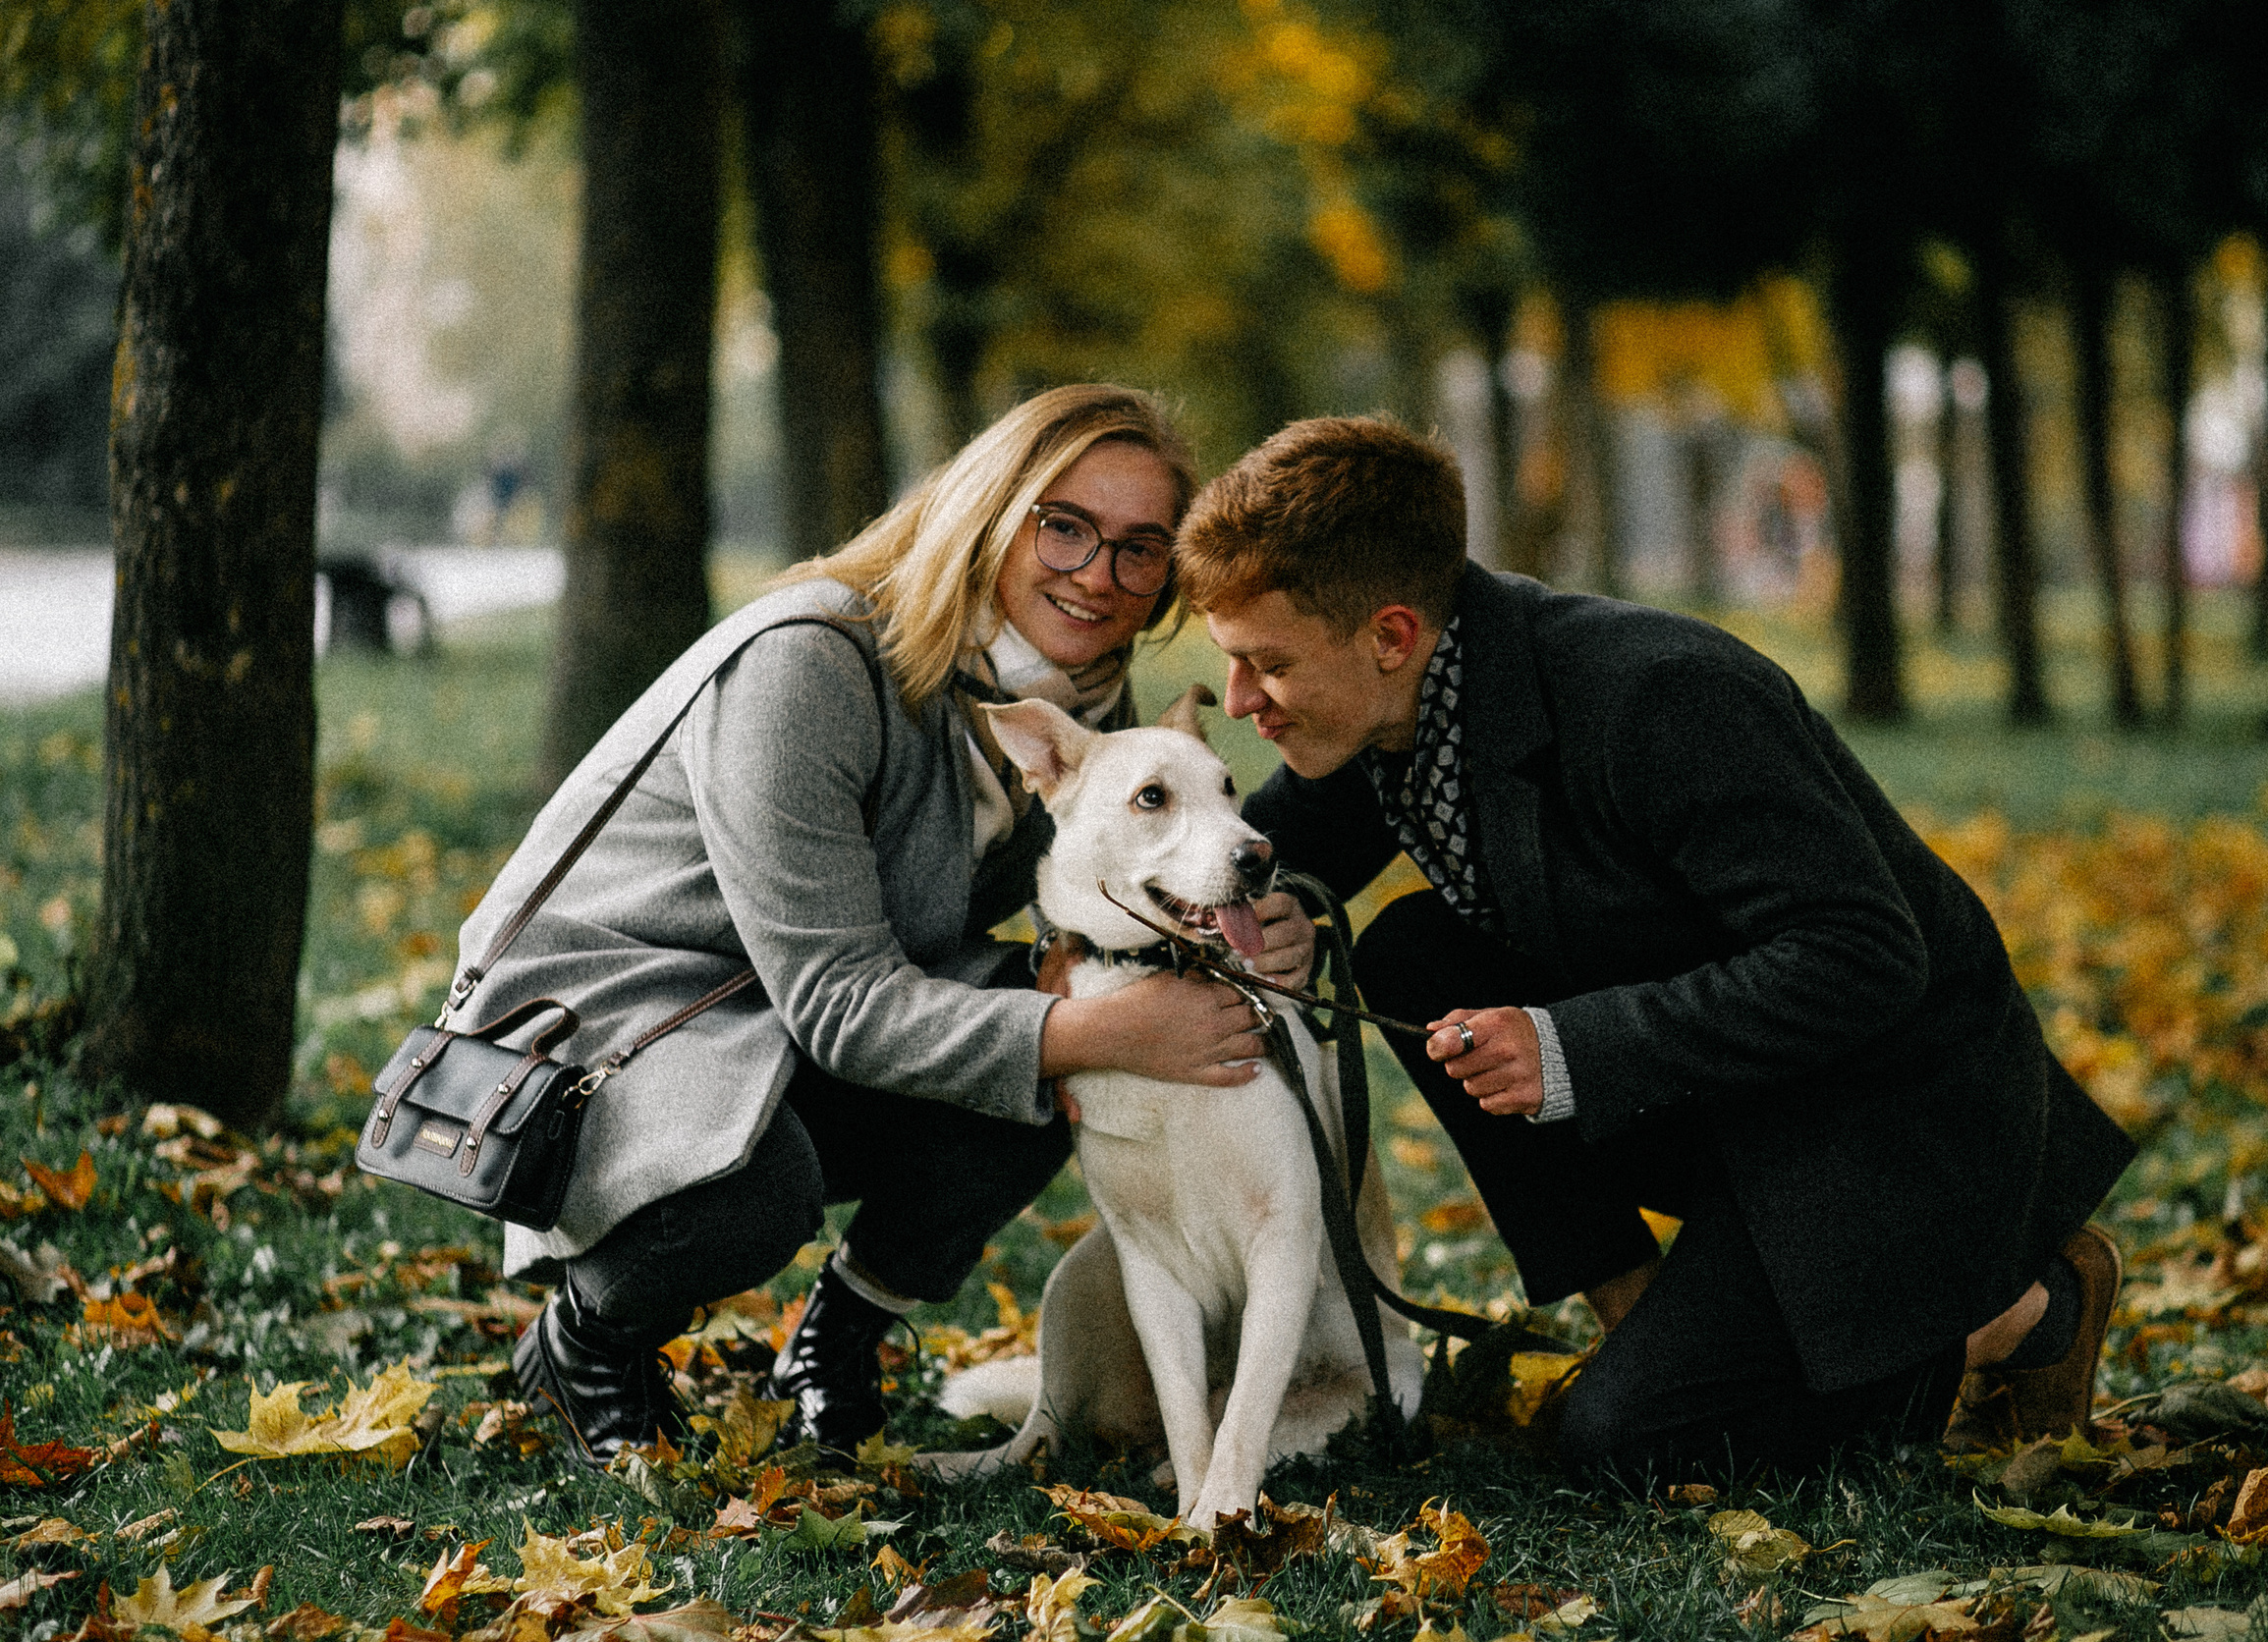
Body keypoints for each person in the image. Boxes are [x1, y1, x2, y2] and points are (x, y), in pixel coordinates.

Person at [1173, 416, 2137, 1484]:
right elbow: (1275, 852)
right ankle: (1635, 1319)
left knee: (1633, 1451)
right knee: (1412, 952)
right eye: (1230, 664)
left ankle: (2014, 1310)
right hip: (1722, 1097)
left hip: (1884, 1122)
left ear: (1390, 634)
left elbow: (1862, 953)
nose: (1239, 701)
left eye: (1265, 665)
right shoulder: (1373, 708)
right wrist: (1295, 905)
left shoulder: (1656, 695)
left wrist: (1569, 1046)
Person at [458, 386, 1308, 1466]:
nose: (1098, 574)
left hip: (763, 1017)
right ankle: (584, 1341)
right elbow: (838, 1003)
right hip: (605, 1024)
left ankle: (838, 1337)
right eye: (1064, 525)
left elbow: (1105, 898)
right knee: (755, 1189)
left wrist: (1240, 925)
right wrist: (1106, 1028)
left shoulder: (1076, 698)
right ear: (991, 509)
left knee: (1051, 1028)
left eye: (1140, 551)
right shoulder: (808, 663)